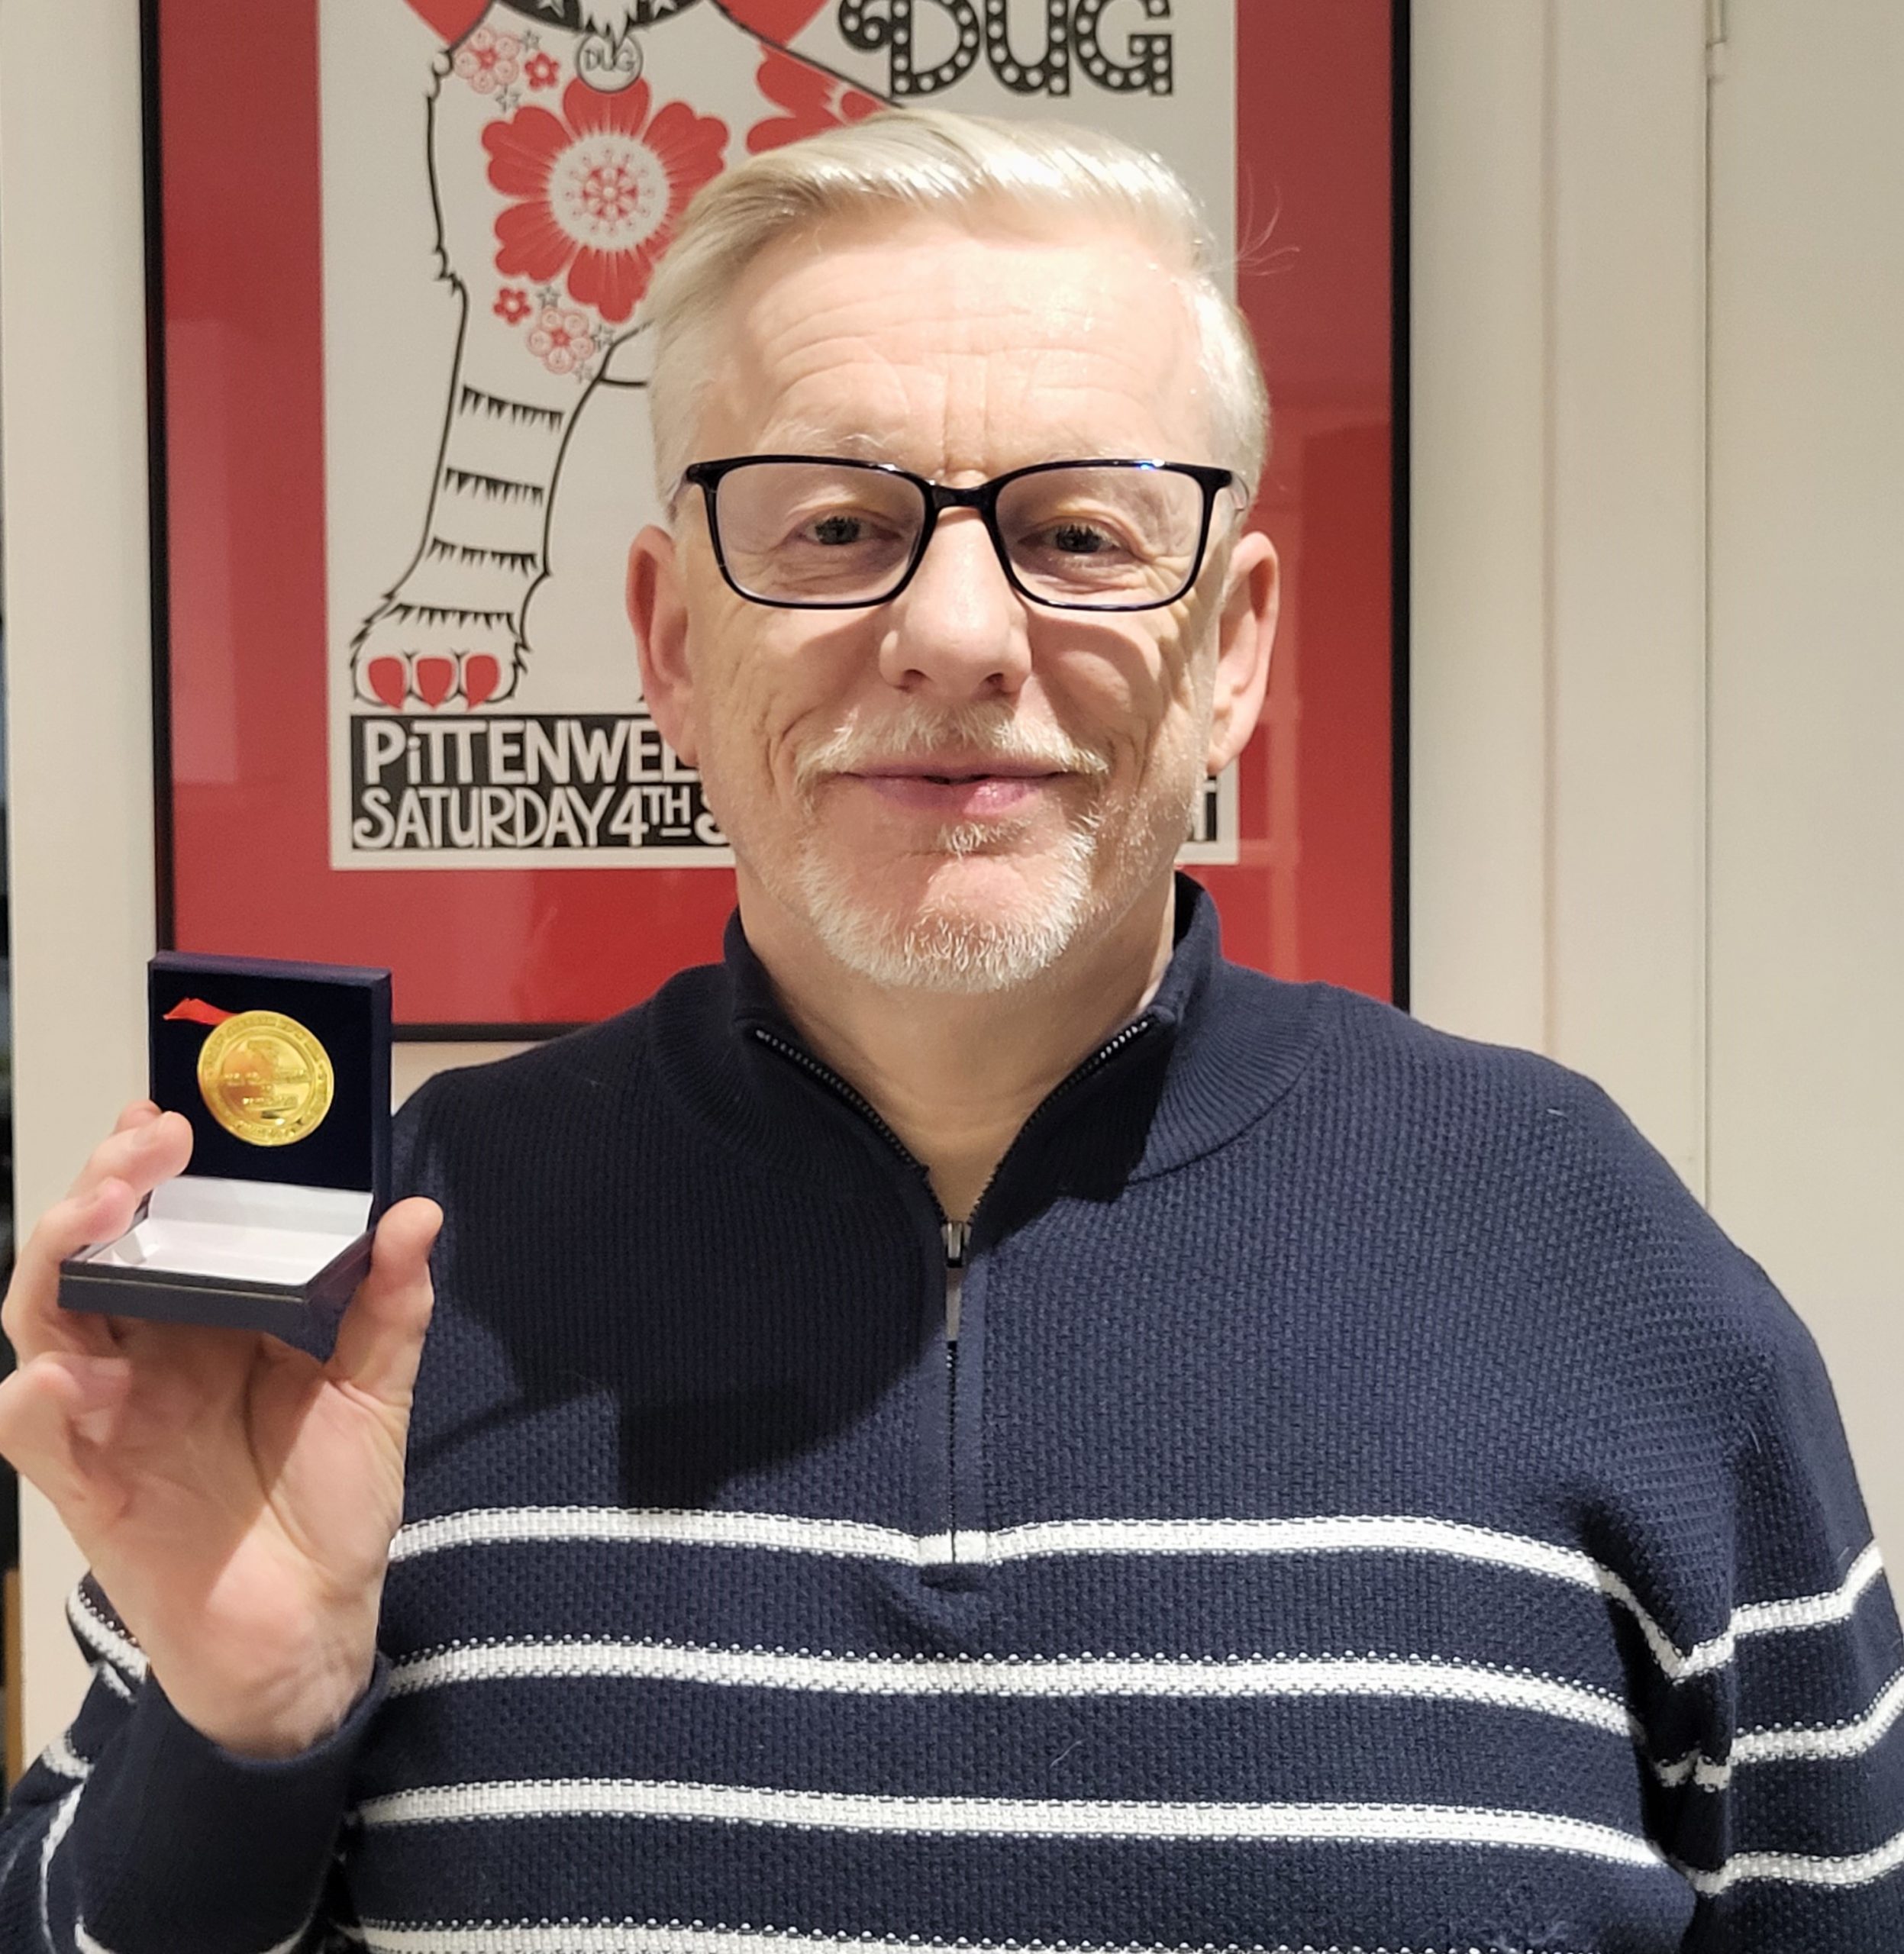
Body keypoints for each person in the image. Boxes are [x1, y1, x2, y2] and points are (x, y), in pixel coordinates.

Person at [2, 108, 1900, 1954]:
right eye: (833, 524)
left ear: (1229, 648)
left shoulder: (1589, 1253)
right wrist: (242, 1725)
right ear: (670, 642)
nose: (959, 631)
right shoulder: (390, 1264)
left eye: (1078, 532)